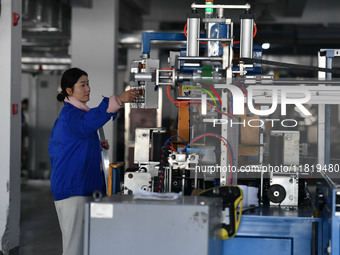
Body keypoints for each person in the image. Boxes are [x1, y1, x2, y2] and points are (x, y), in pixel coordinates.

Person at [48, 67, 137, 255]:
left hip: (82, 188)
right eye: (82, 85)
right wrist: (118, 100)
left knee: (85, 246)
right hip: (73, 190)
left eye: (88, 84)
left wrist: (95, 144)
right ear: (69, 91)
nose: (88, 89)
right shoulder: (70, 116)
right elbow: (89, 122)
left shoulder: (76, 115)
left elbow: (73, 142)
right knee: (74, 248)